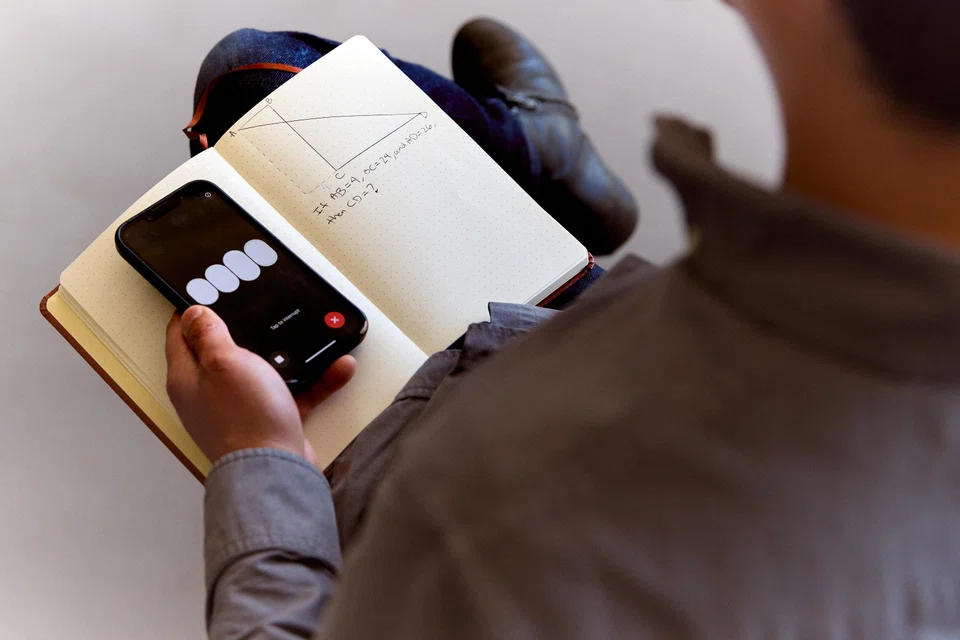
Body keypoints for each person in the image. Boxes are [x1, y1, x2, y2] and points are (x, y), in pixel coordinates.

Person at [168, 2, 960, 638]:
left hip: (453, 429)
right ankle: (548, 172)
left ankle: (544, 167)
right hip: (574, 360)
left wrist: (260, 459)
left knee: (251, 79)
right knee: (261, 81)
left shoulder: (480, 520)